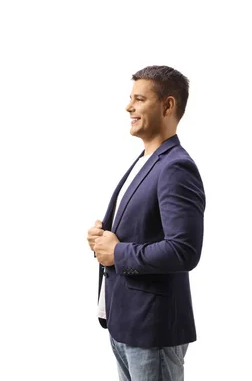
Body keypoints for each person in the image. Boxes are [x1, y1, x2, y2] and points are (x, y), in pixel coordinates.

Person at [86, 66, 205, 381]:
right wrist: (102, 243)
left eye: (139, 99)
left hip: (153, 330)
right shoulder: (146, 162)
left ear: (167, 106)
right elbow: (137, 234)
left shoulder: (176, 167)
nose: (129, 107)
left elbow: (184, 250)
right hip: (127, 323)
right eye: (130, 99)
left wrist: (118, 252)